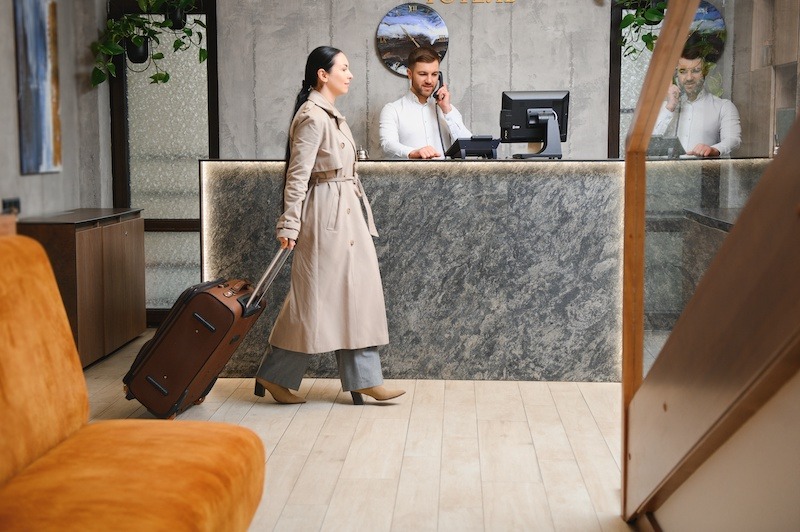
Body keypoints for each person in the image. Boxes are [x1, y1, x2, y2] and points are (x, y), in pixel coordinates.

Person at [254, 46, 404, 404]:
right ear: (323, 74)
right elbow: (297, 175)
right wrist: (289, 224)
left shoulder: (331, 114)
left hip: (346, 212)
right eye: (344, 68)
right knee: (313, 300)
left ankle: (364, 378)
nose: (350, 75)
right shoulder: (312, 116)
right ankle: (275, 376)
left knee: (357, 294)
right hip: (324, 217)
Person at [379, 45, 472, 159]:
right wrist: (413, 152)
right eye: (423, 74)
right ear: (409, 74)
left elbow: (468, 146)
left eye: (434, 74)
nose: (429, 80)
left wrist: (447, 111)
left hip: (447, 176)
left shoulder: (447, 109)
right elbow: (387, 145)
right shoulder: (392, 110)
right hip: (409, 176)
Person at [652, 47, 741, 157]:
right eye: (683, 71)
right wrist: (670, 107)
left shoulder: (723, 107)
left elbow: (733, 140)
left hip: (703, 173)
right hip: (669, 173)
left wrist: (713, 149)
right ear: (676, 75)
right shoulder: (665, 109)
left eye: (696, 70)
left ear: (705, 73)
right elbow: (649, 143)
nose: (689, 78)